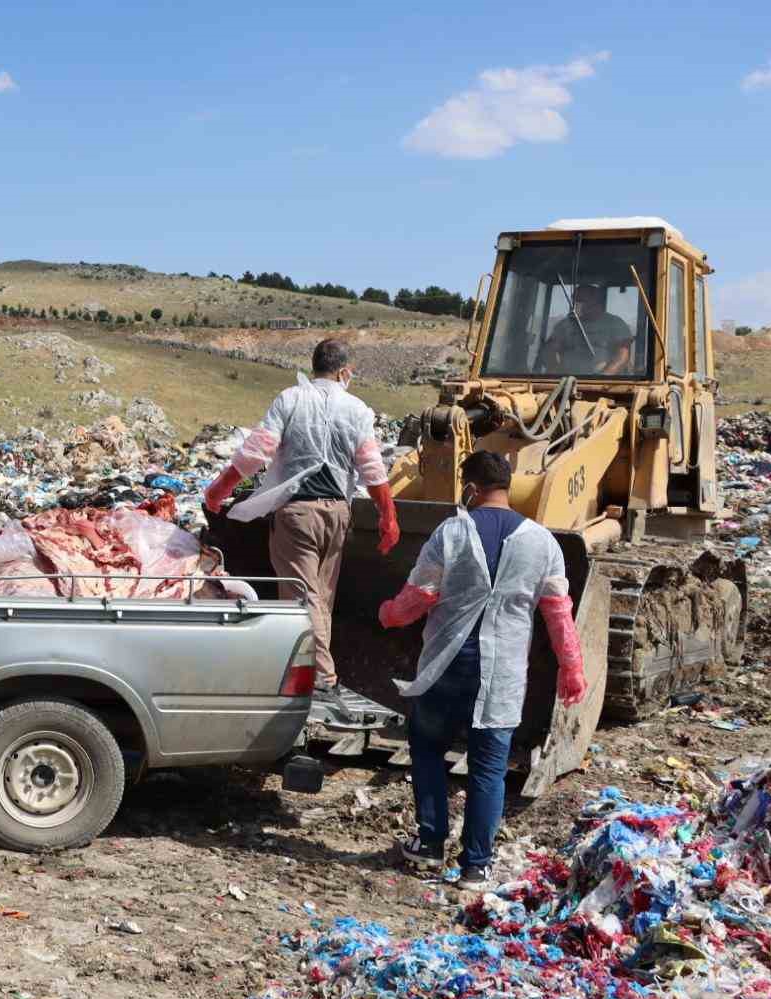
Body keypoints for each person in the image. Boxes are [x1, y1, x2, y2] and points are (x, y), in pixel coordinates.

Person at [378, 451, 587, 891]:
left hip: (448, 664)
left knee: (428, 745)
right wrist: (572, 669)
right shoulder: (543, 542)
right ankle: (477, 866)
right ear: (507, 486)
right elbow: (557, 613)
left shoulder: (452, 531)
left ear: (470, 486)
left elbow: (419, 596)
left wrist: (388, 615)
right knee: (489, 768)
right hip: (504, 671)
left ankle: (431, 842)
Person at [203, 338, 399, 707]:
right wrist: (389, 518)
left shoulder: (290, 399)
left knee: (302, 598)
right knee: (320, 597)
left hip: (298, 515)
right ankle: (315, 672)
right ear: (344, 372)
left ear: (316, 367)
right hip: (338, 514)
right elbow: (372, 469)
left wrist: (217, 491)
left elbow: (256, 451)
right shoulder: (357, 409)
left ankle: (321, 678)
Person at [538, 284, 635, 376]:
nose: (576, 305)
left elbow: (623, 356)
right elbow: (549, 350)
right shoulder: (565, 325)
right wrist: (556, 371)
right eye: (575, 301)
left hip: (603, 385)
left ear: (596, 302)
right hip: (566, 381)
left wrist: (603, 377)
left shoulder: (615, 324)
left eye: (581, 301)